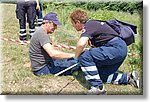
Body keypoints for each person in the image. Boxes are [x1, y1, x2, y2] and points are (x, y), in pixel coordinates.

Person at [69, 9, 140, 95]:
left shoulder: (89, 25)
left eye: (73, 24)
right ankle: (128, 78)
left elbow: (81, 44)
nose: (73, 26)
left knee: (84, 56)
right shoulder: (95, 24)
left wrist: (77, 57)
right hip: (121, 49)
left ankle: (98, 88)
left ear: (77, 22)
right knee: (99, 75)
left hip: (115, 48)